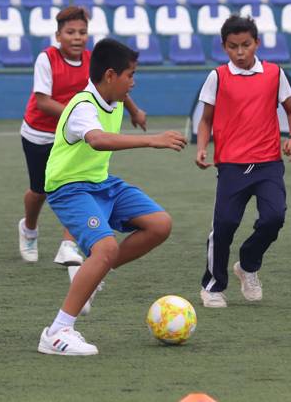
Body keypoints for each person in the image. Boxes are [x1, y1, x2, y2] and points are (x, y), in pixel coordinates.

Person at [36, 38, 187, 356]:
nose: (134, 81)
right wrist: (151, 141)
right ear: (109, 76)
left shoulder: (112, 97)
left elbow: (122, 99)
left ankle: (93, 273)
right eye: (130, 75)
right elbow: (98, 140)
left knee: (160, 224)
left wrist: (134, 110)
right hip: (69, 188)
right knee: (103, 250)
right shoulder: (82, 108)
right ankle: (57, 331)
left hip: (101, 183)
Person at [19, 6, 148, 265]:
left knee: (81, 183)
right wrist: (78, 117)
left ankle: (69, 244)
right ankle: (29, 229)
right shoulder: (47, 59)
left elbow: (116, 86)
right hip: (40, 134)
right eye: (70, 32)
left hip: (80, 135)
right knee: (39, 190)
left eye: (82, 32)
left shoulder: (94, 61)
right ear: (58, 36)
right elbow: (43, 102)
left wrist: (134, 110)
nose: (77, 37)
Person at [195, 15, 291, 308]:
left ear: (257, 43)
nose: (240, 52)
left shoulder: (274, 74)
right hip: (231, 164)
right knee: (225, 224)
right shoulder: (217, 77)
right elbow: (205, 120)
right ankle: (213, 286)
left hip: (268, 162)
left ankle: (248, 265)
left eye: (246, 45)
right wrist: (202, 148)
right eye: (233, 47)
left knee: (274, 217)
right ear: (223, 47)